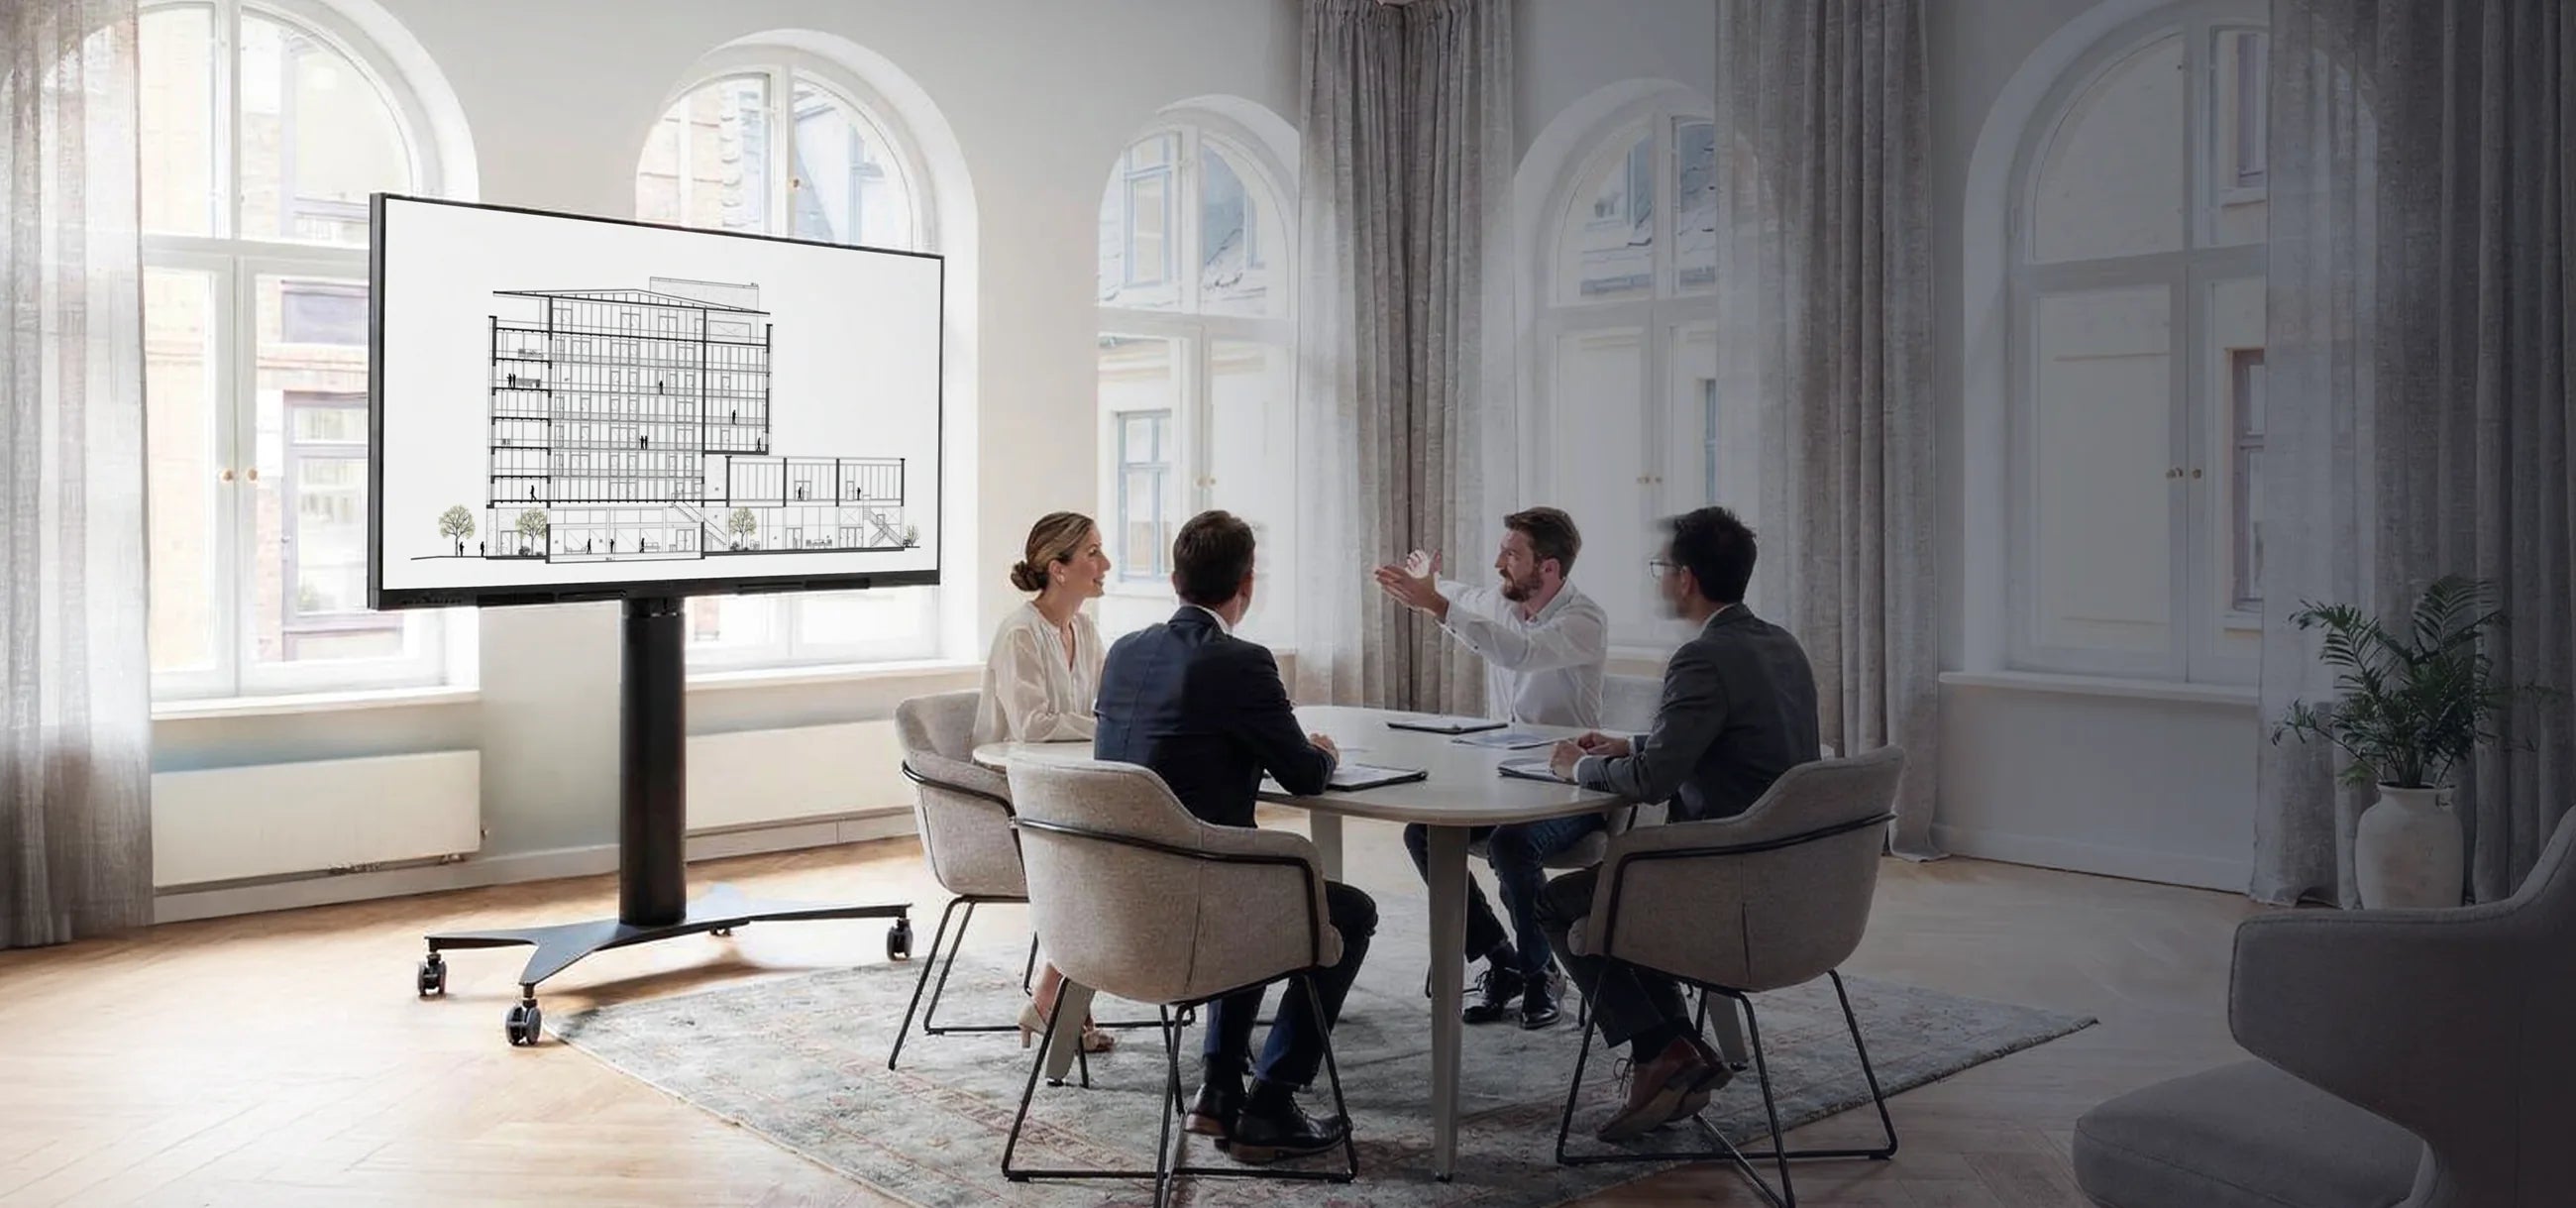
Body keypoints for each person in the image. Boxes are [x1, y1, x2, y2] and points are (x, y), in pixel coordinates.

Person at [1095, 510, 1375, 1164]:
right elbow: (1305, 777)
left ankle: (1219, 1086)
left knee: (1254, 879)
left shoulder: (1126, 651)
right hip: (1201, 908)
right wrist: (1321, 750)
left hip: (1119, 904)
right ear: (1248, 583)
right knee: (1345, 911)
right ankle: (1272, 1101)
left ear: (1174, 579)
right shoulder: (1242, 662)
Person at [1536, 505, 1820, 1142]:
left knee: (1559, 902)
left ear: (1686, 578)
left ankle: (1661, 1048)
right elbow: (1732, 739)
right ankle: (1676, 1050)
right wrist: (1632, 741)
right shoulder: (1781, 645)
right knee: (1618, 891)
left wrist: (1577, 768)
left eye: (1662, 568)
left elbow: (1654, 783)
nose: (1660, 579)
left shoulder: (1703, 657)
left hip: (1722, 877)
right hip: (1793, 876)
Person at [1372, 506, 1608, 1028]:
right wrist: (1427, 584)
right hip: (1505, 781)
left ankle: (1540, 972)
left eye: (1512, 554)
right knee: (1424, 835)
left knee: (1510, 844)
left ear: (1547, 568)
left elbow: (1521, 654)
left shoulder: (1583, 621)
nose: (1499, 563)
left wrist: (1434, 601)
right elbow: (1460, 596)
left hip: (1572, 788)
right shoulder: (1505, 601)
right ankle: (1499, 958)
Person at [973, 512, 1118, 1055]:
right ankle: (1055, 1001)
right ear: (1058, 569)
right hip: (1014, 796)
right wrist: (1102, 726)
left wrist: (1102, 724)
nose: (1105, 565)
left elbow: (1102, 709)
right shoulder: (1019, 633)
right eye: (1093, 554)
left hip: (1072, 783)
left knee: (1119, 859)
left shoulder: (1085, 629)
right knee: (1103, 865)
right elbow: (1034, 726)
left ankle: (1050, 997)